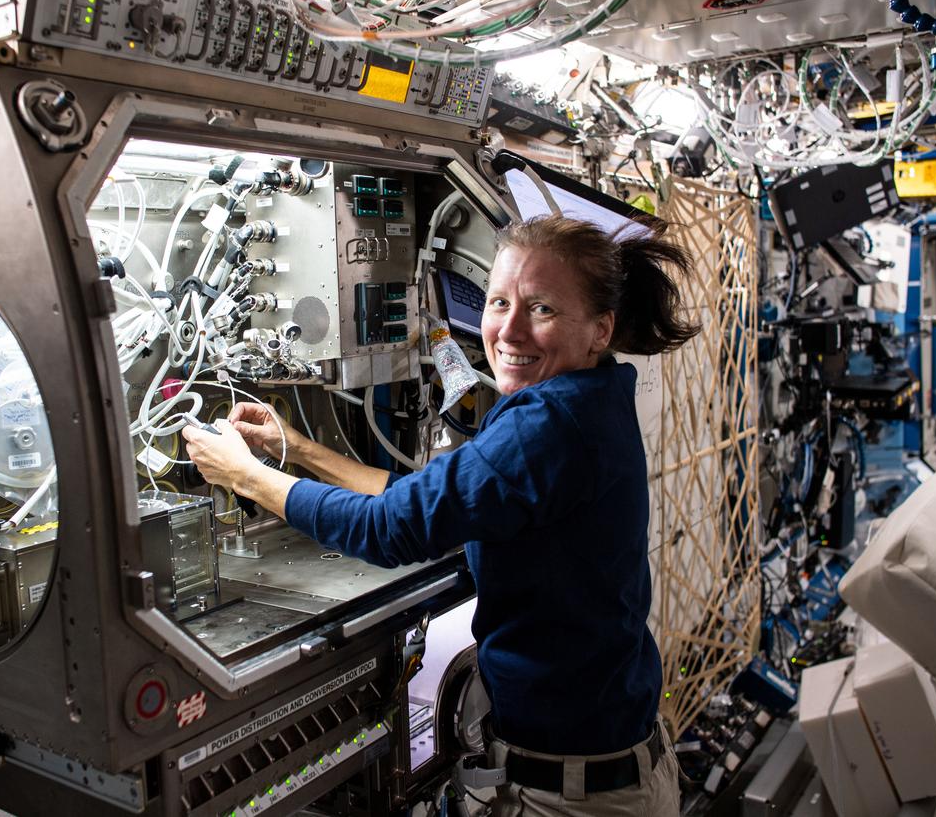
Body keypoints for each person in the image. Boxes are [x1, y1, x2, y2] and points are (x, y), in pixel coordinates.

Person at [183, 214, 700, 816]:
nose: (508, 330)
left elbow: (391, 529)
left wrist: (245, 476)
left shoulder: (549, 425)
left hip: (575, 798)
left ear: (599, 329)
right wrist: (296, 451)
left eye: (542, 310)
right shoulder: (590, 398)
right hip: (617, 768)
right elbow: (422, 499)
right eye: (498, 302)